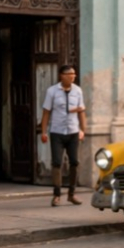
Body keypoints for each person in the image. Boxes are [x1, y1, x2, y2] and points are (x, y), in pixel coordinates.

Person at [39, 65, 87, 207]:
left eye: (74, 74)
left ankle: (72, 194)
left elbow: (81, 112)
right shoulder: (52, 91)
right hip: (57, 132)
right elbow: (46, 112)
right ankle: (57, 195)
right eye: (69, 74)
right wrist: (43, 131)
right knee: (57, 163)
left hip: (73, 131)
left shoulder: (78, 91)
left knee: (75, 162)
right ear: (62, 76)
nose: (72, 76)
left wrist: (83, 129)